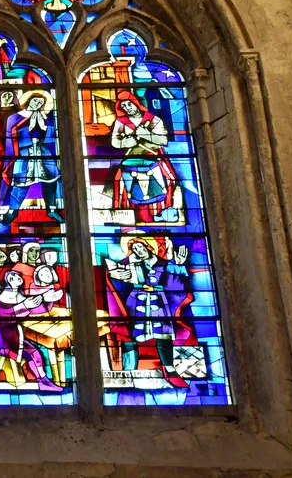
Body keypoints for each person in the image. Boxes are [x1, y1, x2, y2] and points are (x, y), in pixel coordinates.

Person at [107, 236, 193, 389]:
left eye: (140, 247)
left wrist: (179, 265)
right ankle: (129, 370)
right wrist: (114, 275)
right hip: (135, 301)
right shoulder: (128, 264)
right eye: (134, 249)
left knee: (164, 334)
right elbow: (111, 275)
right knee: (130, 334)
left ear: (147, 246)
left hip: (158, 301)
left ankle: (170, 369)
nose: (138, 250)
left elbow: (176, 278)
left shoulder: (163, 263)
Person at [109, 90, 179, 223]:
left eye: (129, 104)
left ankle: (164, 214)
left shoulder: (153, 119)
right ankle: (128, 217)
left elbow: (163, 141)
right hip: (131, 158)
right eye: (123, 106)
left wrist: (147, 134)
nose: (127, 108)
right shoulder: (120, 122)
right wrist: (125, 142)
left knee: (170, 180)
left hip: (153, 156)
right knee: (119, 182)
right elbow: (115, 141)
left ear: (136, 103)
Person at [0, 270, 63, 392]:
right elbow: (4, 315)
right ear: (7, 281)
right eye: (11, 276)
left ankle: (43, 382)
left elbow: (37, 309)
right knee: (32, 354)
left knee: (36, 354)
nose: (15, 278)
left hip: (18, 337)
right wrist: (24, 306)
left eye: (17, 276)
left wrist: (48, 300)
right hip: (5, 339)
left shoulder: (22, 297)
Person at [1, 90, 63, 224]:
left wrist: (45, 126)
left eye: (41, 102)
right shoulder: (15, 117)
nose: (37, 104)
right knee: (21, 182)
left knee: (51, 180)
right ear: (28, 101)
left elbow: (52, 137)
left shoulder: (46, 118)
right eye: (35, 101)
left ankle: (51, 209)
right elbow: (11, 133)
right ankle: (13, 211)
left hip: (43, 151)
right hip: (24, 152)